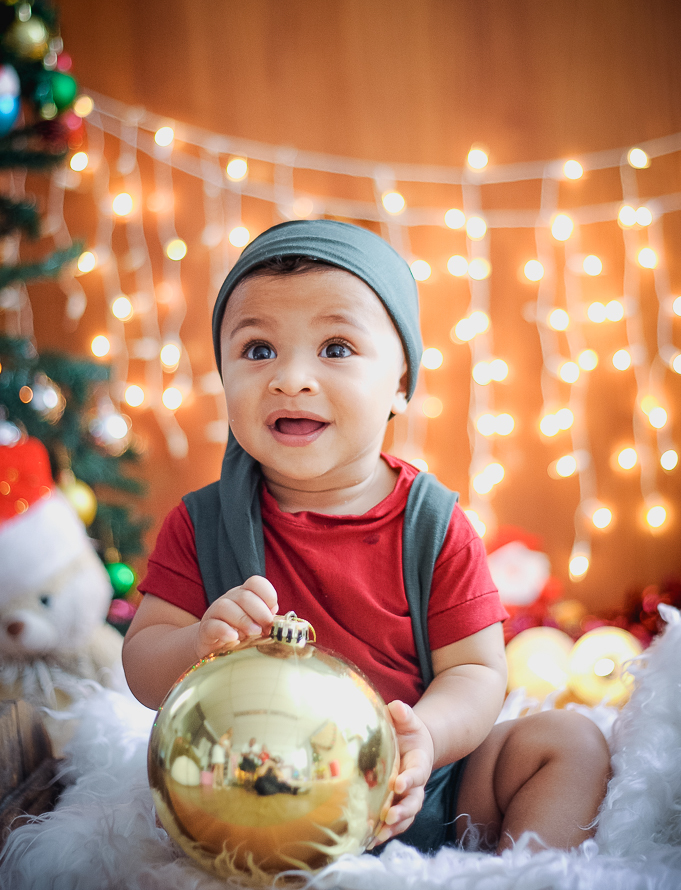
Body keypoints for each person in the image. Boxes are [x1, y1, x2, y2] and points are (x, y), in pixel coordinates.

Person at [123, 220, 610, 855]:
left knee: (570, 742)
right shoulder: (203, 524)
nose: (291, 378)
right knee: (171, 793)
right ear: (224, 375)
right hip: (260, 788)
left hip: (426, 784)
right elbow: (141, 666)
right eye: (258, 350)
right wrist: (197, 641)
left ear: (401, 385)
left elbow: (476, 671)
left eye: (336, 348)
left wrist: (424, 736)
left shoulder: (433, 525)